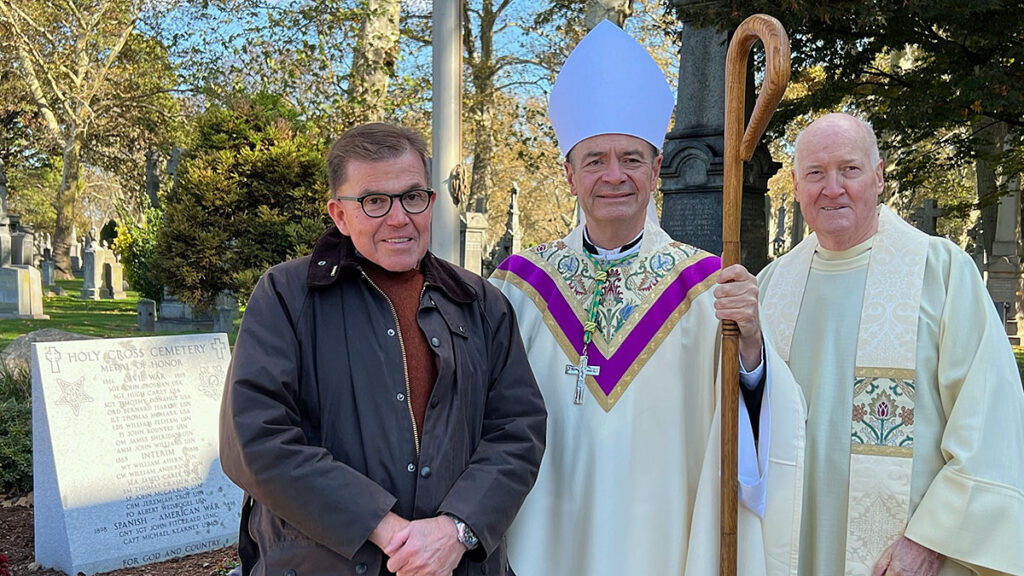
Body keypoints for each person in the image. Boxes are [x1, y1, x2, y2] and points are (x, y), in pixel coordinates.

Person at [489, 20, 805, 575]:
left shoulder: (706, 286)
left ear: (657, 169)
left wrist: (751, 348)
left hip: (664, 539)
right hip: (545, 532)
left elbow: (759, 429)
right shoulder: (517, 288)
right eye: (595, 160)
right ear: (569, 174)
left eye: (631, 159)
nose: (614, 176)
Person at [220, 123, 547, 576]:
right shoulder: (286, 297)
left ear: (431, 202)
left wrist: (457, 529)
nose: (399, 218)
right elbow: (256, 438)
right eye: (374, 201)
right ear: (339, 214)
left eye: (413, 196)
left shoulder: (481, 302)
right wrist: (384, 528)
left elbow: (517, 429)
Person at [758, 112, 1024, 576]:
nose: (832, 187)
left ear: (879, 177)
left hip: (903, 554)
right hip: (787, 542)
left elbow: (989, 418)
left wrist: (932, 538)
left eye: (850, 169)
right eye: (815, 173)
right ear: (797, 186)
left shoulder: (941, 273)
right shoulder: (771, 286)